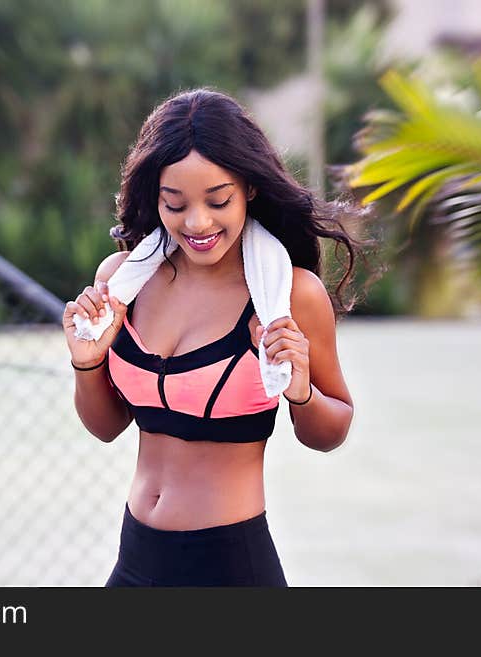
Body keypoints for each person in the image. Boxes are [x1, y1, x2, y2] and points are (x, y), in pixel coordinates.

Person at [62, 88, 362, 587]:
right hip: (136, 558)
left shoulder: (289, 295)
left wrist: (301, 391)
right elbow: (107, 427)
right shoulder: (122, 281)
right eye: (174, 204)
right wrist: (87, 363)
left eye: (217, 200)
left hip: (229, 565)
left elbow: (331, 432)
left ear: (249, 188)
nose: (197, 223)